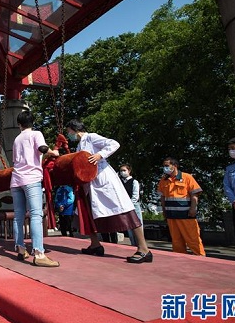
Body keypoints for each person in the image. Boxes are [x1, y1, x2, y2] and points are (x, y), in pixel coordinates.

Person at [65, 119, 152, 263]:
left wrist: (99, 155)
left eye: (68, 131)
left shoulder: (91, 137)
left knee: (125, 212)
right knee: (88, 213)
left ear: (74, 129)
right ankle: (95, 244)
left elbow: (114, 143)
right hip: (90, 183)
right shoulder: (80, 145)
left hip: (104, 181)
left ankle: (144, 249)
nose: (68, 135)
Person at [11, 110, 60, 267]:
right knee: (36, 215)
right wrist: (54, 152)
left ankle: (20, 249)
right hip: (31, 178)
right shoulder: (36, 134)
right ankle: (39, 253)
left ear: (19, 124)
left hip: (16, 180)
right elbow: (42, 149)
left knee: (18, 216)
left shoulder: (17, 139)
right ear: (32, 122)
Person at [157, 157, 205, 256]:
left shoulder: (187, 177)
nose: (165, 168)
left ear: (174, 166)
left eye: (167, 165)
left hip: (186, 215)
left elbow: (194, 194)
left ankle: (200, 257)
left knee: (193, 239)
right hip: (171, 216)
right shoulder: (163, 180)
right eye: (164, 166)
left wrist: (193, 209)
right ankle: (179, 258)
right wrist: (164, 211)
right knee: (176, 241)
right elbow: (162, 197)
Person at [119, 164, 143, 246]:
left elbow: (135, 196)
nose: (122, 172)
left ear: (129, 171)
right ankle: (133, 243)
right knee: (129, 227)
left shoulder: (134, 182)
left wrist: (130, 204)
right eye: (121, 171)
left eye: (124, 170)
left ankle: (140, 244)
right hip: (125, 206)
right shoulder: (120, 182)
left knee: (138, 225)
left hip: (134, 206)